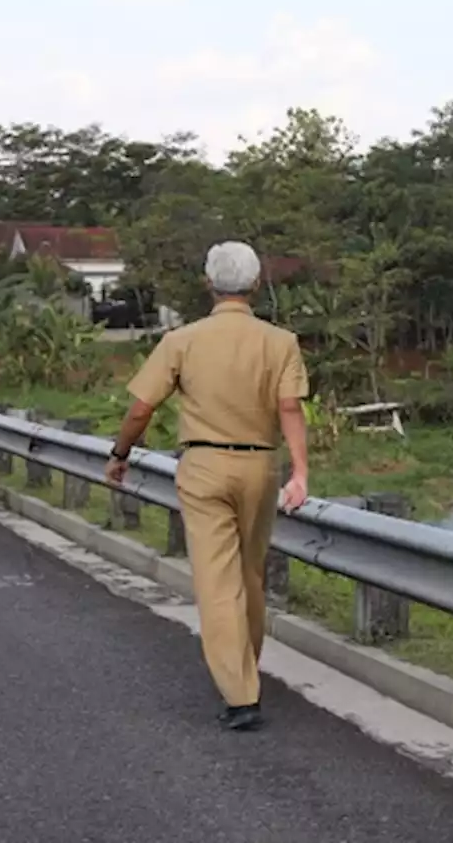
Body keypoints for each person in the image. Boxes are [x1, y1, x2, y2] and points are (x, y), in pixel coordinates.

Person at [103, 241, 310, 732]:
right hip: (260, 467)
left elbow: (141, 408)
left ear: (208, 284)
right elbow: (289, 409)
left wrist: (120, 455)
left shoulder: (182, 340)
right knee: (249, 574)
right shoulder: (280, 342)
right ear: (256, 285)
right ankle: (247, 668)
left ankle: (241, 696)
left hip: (203, 465)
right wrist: (300, 472)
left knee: (217, 582)